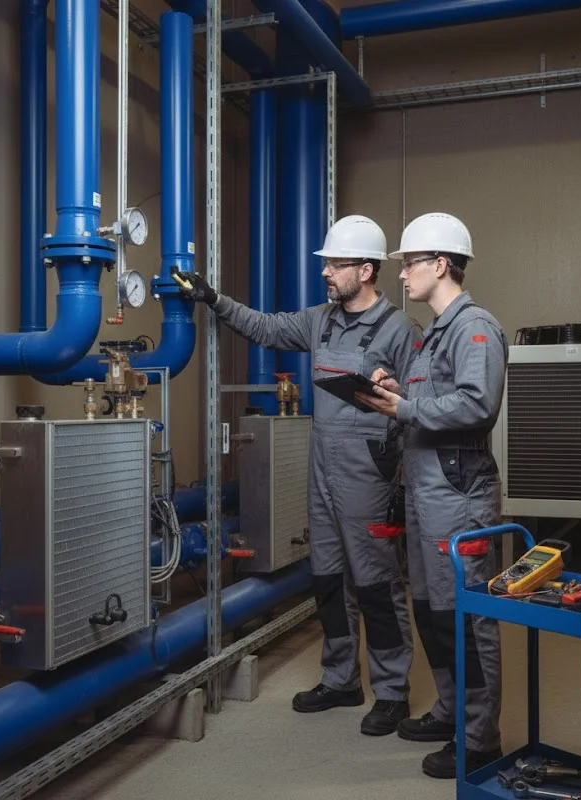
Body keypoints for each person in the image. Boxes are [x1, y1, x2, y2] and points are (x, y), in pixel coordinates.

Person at [176, 215, 422, 736]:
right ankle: (340, 680)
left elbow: (421, 405)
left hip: (370, 476)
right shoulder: (321, 320)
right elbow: (265, 327)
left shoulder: (400, 330)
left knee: (377, 585)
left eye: (336, 264)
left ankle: (393, 691)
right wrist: (214, 299)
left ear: (367, 269)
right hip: (323, 472)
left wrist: (403, 481)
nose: (327, 273)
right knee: (328, 580)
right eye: (327, 264)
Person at [356, 212, 508, 778]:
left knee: (467, 618)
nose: (401, 275)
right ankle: (450, 711)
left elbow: (477, 402)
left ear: (440, 264)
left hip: (457, 496)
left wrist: (407, 406)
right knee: (432, 612)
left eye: (409, 263)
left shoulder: (475, 328)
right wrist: (397, 391)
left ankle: (481, 738)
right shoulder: (432, 336)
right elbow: (430, 402)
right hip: (425, 495)